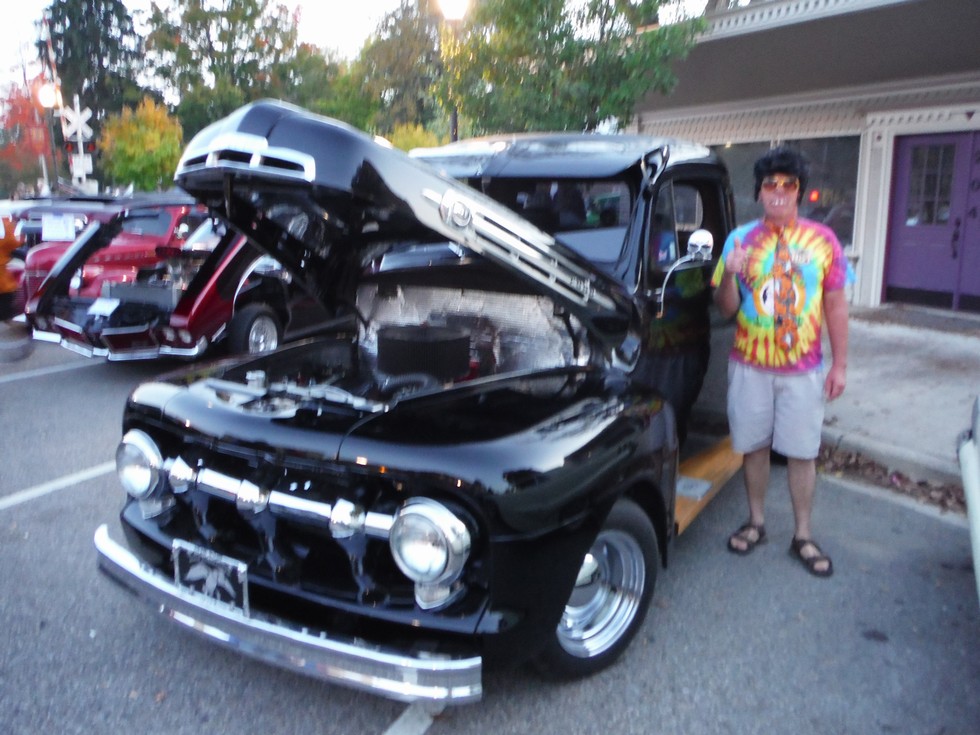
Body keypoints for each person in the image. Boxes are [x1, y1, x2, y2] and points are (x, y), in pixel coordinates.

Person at [711, 146, 849, 578]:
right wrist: (729, 272)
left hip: (803, 369)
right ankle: (756, 522)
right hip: (750, 365)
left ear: (799, 191)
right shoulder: (739, 240)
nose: (779, 191)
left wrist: (840, 365)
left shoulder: (823, 241)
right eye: (771, 183)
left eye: (789, 184)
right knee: (753, 446)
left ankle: (803, 535)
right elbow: (726, 308)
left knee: (802, 452)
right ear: (759, 191)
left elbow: (835, 305)